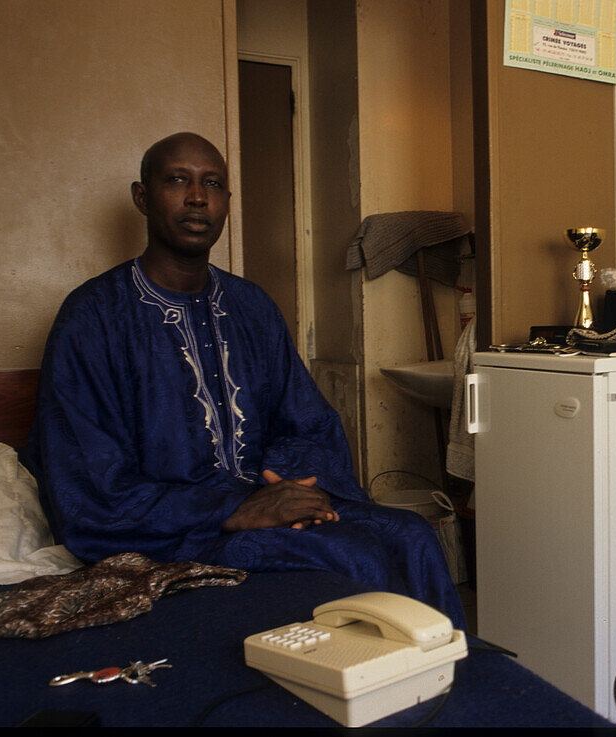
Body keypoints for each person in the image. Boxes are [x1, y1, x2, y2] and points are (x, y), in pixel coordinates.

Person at [23, 132, 465, 629]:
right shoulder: (92, 318)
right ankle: (390, 687)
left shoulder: (251, 306)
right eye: (177, 181)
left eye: (212, 183)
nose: (197, 196)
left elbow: (307, 421)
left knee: (413, 535)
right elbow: (90, 480)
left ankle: (451, 680)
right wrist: (234, 508)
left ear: (226, 202)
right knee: (351, 557)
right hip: (172, 530)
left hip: (268, 501)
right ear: (142, 197)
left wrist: (290, 496)